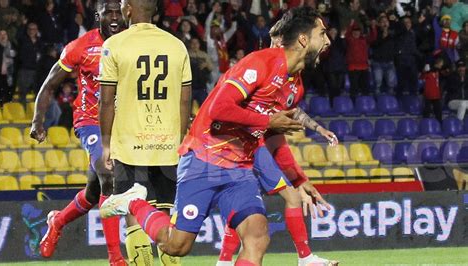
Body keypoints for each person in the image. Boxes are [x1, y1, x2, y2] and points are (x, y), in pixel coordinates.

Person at [100, 6, 332, 266]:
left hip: (240, 168)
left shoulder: (294, 85)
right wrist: (267, 120)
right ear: (303, 38)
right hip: (204, 158)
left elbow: (274, 136)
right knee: (176, 245)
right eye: (322, 34)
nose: (328, 41)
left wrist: (297, 179)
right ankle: (134, 202)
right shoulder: (260, 62)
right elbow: (218, 108)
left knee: (257, 236)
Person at [216, 17, 339, 266]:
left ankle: (226, 260)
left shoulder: (295, 83)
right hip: (230, 143)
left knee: (261, 203)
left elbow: (278, 128)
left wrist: (300, 175)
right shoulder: (260, 68)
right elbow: (232, 109)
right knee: (265, 203)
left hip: (253, 144)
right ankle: (303, 259)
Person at [30, 1, 129, 265]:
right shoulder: (81, 46)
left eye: (118, 12)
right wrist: (38, 121)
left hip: (123, 124)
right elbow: (49, 85)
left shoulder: (131, 44)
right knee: (108, 173)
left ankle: (57, 221)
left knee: (94, 194)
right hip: (91, 122)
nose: (114, 17)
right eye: (108, 12)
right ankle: (116, 259)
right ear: (97, 16)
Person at [98, 0, 192, 265]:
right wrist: (180, 138)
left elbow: (106, 102)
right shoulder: (177, 46)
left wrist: (106, 145)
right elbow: (185, 101)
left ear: (128, 10)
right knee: (165, 216)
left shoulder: (113, 45)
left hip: (129, 145)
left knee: (133, 211)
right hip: (167, 145)